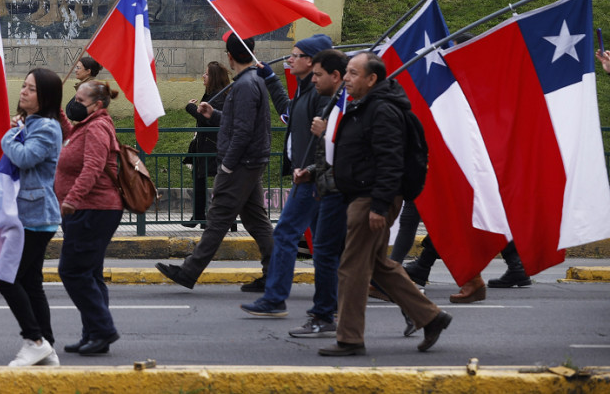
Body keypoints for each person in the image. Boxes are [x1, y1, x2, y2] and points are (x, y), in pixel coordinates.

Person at [320, 52, 451, 358]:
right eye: (347, 72)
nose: (347, 78)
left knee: (352, 268)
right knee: (379, 265)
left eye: (353, 73)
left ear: (371, 79)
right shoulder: (365, 106)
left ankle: (350, 338)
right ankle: (431, 317)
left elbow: (390, 161)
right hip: (363, 196)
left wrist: (379, 205)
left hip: (370, 199)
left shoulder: (382, 110)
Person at [244, 44, 348, 338]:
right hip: (307, 176)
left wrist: (309, 170)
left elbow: (324, 139)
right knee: (326, 249)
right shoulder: (306, 90)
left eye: (295, 55)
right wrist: (270, 78)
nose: (289, 59)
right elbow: (289, 112)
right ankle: (334, 302)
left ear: (312, 61)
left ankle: (276, 298)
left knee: (286, 232)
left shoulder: (319, 94)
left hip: (312, 180)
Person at [156, 33, 274, 291]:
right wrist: (215, 113)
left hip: (240, 164)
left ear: (229, 56)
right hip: (251, 161)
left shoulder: (244, 85)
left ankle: (189, 272)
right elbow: (240, 122)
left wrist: (228, 166)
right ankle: (275, 272)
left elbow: (242, 132)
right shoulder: (252, 81)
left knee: (218, 217)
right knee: (256, 220)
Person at [0, 68, 64, 367]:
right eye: (23, 86)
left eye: (31, 89)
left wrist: (9, 137)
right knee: (31, 281)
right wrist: (20, 130)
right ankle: (46, 345)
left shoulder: (47, 127)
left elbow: (24, 157)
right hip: (31, 214)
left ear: (45, 96)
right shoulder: (34, 124)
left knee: (7, 277)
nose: (23, 91)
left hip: (36, 216)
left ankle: (34, 340)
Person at [57, 79, 123, 357]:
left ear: (96, 105)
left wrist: (72, 198)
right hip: (90, 209)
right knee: (91, 275)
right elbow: (71, 137)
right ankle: (94, 335)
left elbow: (94, 166)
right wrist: (59, 113)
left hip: (93, 209)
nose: (75, 104)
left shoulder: (97, 126)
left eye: (80, 101)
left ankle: (103, 329)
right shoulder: (88, 125)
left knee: (72, 270)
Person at [183, 60, 228, 227]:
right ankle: (199, 217)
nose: (203, 76)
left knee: (218, 182)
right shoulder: (212, 94)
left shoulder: (219, 96)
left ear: (214, 77)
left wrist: (190, 107)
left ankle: (216, 219)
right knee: (198, 178)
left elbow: (206, 117)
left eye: (207, 73)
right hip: (204, 144)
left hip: (213, 146)